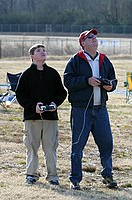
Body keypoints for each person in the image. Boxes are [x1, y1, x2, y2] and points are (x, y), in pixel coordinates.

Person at [63, 29, 118, 190]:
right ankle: (75, 179)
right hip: (81, 110)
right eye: (90, 37)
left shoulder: (104, 59)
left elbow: (113, 79)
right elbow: (68, 81)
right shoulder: (75, 60)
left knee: (107, 143)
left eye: (95, 37)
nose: (94, 39)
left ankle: (108, 175)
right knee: (78, 146)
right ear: (83, 43)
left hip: (101, 110)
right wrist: (87, 81)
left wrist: (110, 85)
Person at [16, 44, 67, 185]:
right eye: (38, 51)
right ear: (32, 56)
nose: (43, 52)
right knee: (31, 147)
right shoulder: (26, 75)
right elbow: (20, 95)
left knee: (50, 148)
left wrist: (54, 104)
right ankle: (31, 175)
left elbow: (62, 93)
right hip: (32, 119)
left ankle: (53, 176)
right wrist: (34, 107)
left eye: (44, 50)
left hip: (51, 118)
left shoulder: (53, 73)